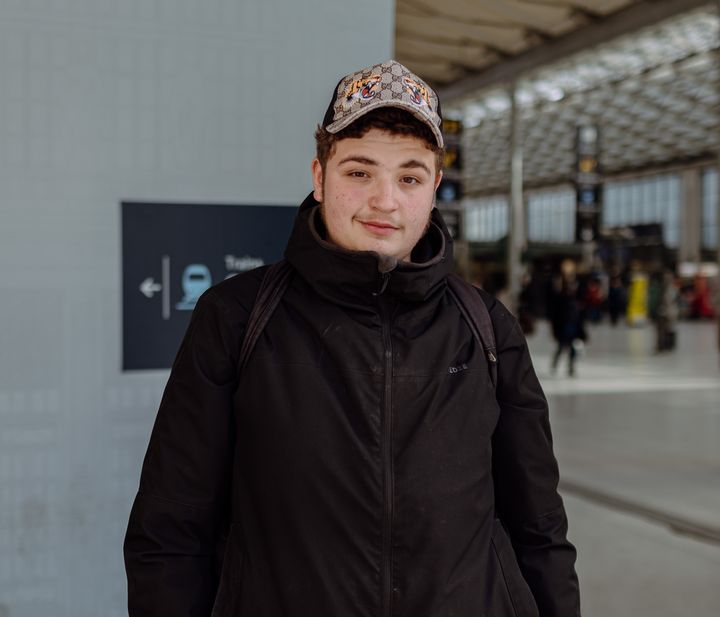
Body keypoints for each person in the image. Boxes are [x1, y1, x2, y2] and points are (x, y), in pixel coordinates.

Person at [124, 60, 580, 617]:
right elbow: (170, 528)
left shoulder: (484, 326)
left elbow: (539, 527)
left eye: (409, 177)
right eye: (359, 172)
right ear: (319, 177)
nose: (385, 200)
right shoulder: (238, 318)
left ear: (434, 187)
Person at [548, 259, 586, 377]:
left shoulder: (578, 285)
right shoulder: (558, 286)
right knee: (562, 345)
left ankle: (571, 367)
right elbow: (554, 306)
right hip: (563, 322)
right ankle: (556, 364)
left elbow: (581, 304)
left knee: (573, 346)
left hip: (573, 322)